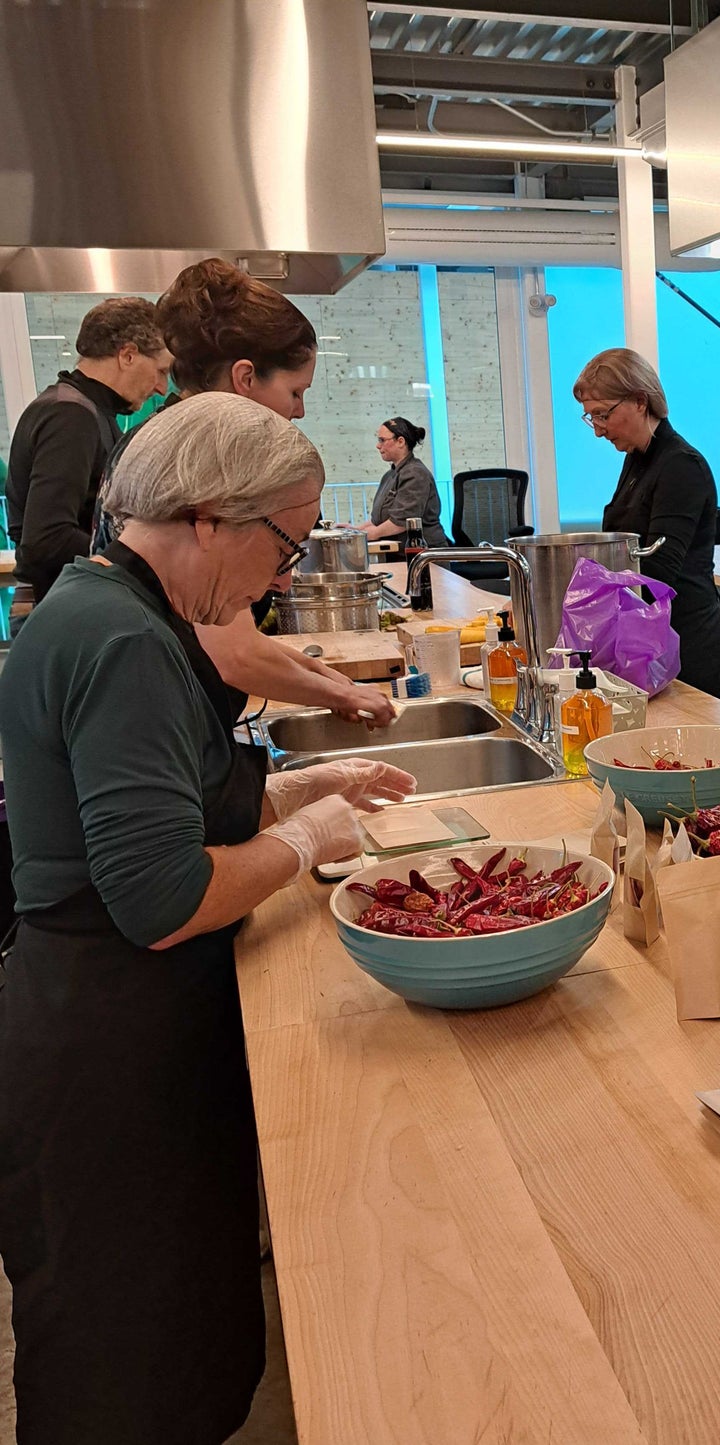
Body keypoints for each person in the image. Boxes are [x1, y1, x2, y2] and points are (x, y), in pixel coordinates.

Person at [0, 393, 415, 1444]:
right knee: (130, 1367)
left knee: (171, 1331)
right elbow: (162, 895)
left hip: (113, 1025)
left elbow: (159, 810)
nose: (281, 575)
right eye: (282, 540)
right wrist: (305, 838)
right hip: (110, 1050)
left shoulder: (109, 604)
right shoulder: (124, 638)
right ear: (206, 517)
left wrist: (299, 791)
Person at [94, 257, 397, 727]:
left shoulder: (177, 443)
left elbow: (232, 637)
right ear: (245, 378)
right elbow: (232, 655)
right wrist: (340, 694)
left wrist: (336, 684)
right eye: (295, 392)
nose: (299, 412)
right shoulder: (199, 465)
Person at [575, 347, 720, 701]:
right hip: (649, 643)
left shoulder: (681, 466)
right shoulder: (637, 460)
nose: (598, 431)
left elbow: (656, 573)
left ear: (639, 401)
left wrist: (581, 600)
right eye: (590, 418)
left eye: (603, 414)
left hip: (687, 646)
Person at [6, 296, 171, 604]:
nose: (162, 387)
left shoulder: (82, 409)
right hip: (61, 604)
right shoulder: (71, 415)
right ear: (128, 355)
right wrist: (145, 557)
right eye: (161, 370)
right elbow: (46, 540)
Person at [364, 415, 448, 546]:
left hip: (421, 554)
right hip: (399, 552)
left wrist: (367, 535)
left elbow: (401, 521)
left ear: (401, 442)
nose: (378, 446)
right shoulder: (390, 475)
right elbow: (380, 520)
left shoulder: (415, 474)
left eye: (382, 440)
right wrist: (354, 530)